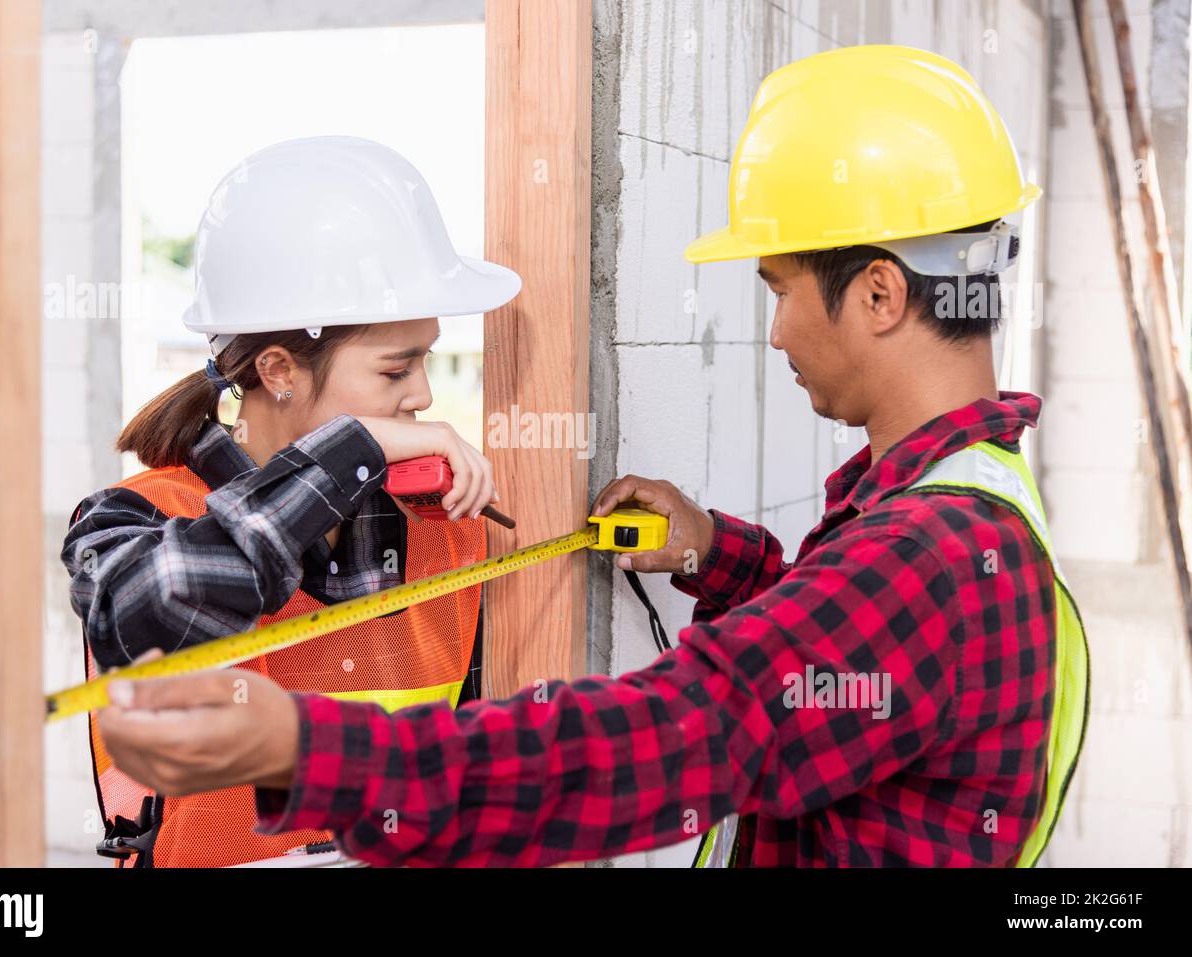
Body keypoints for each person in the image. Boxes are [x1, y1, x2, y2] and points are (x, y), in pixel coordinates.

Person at [97, 45, 1089, 868]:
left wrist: (307, 751)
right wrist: (717, 557)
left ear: (879, 294)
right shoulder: (962, 498)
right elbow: (852, 664)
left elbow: (674, 735)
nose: (776, 334)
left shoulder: (929, 550)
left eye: (777, 287)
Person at [62, 136, 520, 867]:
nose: (425, 395)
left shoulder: (446, 534)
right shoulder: (136, 518)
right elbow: (160, 602)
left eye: (426, 360)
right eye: (396, 368)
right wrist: (350, 450)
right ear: (278, 369)